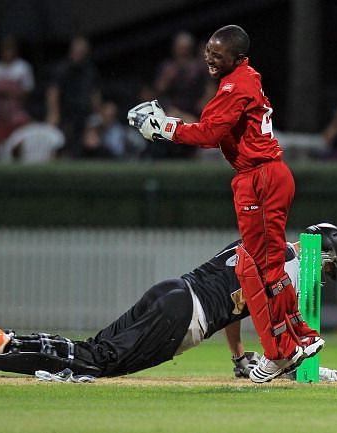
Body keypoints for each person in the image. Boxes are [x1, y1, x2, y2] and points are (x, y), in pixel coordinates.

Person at [128, 25, 304, 382]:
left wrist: (165, 128)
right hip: (263, 174)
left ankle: (285, 349)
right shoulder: (244, 76)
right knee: (258, 268)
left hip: (260, 177)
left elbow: (209, 133)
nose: (209, 57)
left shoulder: (235, 84)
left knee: (262, 270)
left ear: (238, 59)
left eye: (218, 54)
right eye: (208, 50)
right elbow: (214, 128)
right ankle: (293, 343)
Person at [0, 223, 337, 381]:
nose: (323, 280)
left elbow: (238, 303)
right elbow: (276, 333)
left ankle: (6, 341)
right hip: (183, 316)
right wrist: (301, 367)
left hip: (172, 291)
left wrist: (237, 355)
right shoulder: (292, 272)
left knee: (95, 349)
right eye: (327, 272)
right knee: (98, 365)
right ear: (323, 257)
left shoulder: (262, 242)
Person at [45, 35, 102, 157]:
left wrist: (96, 118)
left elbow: (95, 96)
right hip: (66, 115)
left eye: (82, 51)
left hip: (84, 116)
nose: (78, 54)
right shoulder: (61, 69)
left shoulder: (90, 71)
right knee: (64, 145)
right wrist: (53, 113)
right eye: (76, 50)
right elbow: (53, 92)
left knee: (88, 145)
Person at [0, 35, 35, 156]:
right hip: (1, 114)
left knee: (19, 143)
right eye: (5, 50)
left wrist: (12, 93)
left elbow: (28, 91)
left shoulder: (23, 67)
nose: (7, 53)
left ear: (15, 51)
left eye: (10, 49)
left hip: (18, 113)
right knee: (1, 145)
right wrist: (4, 92)